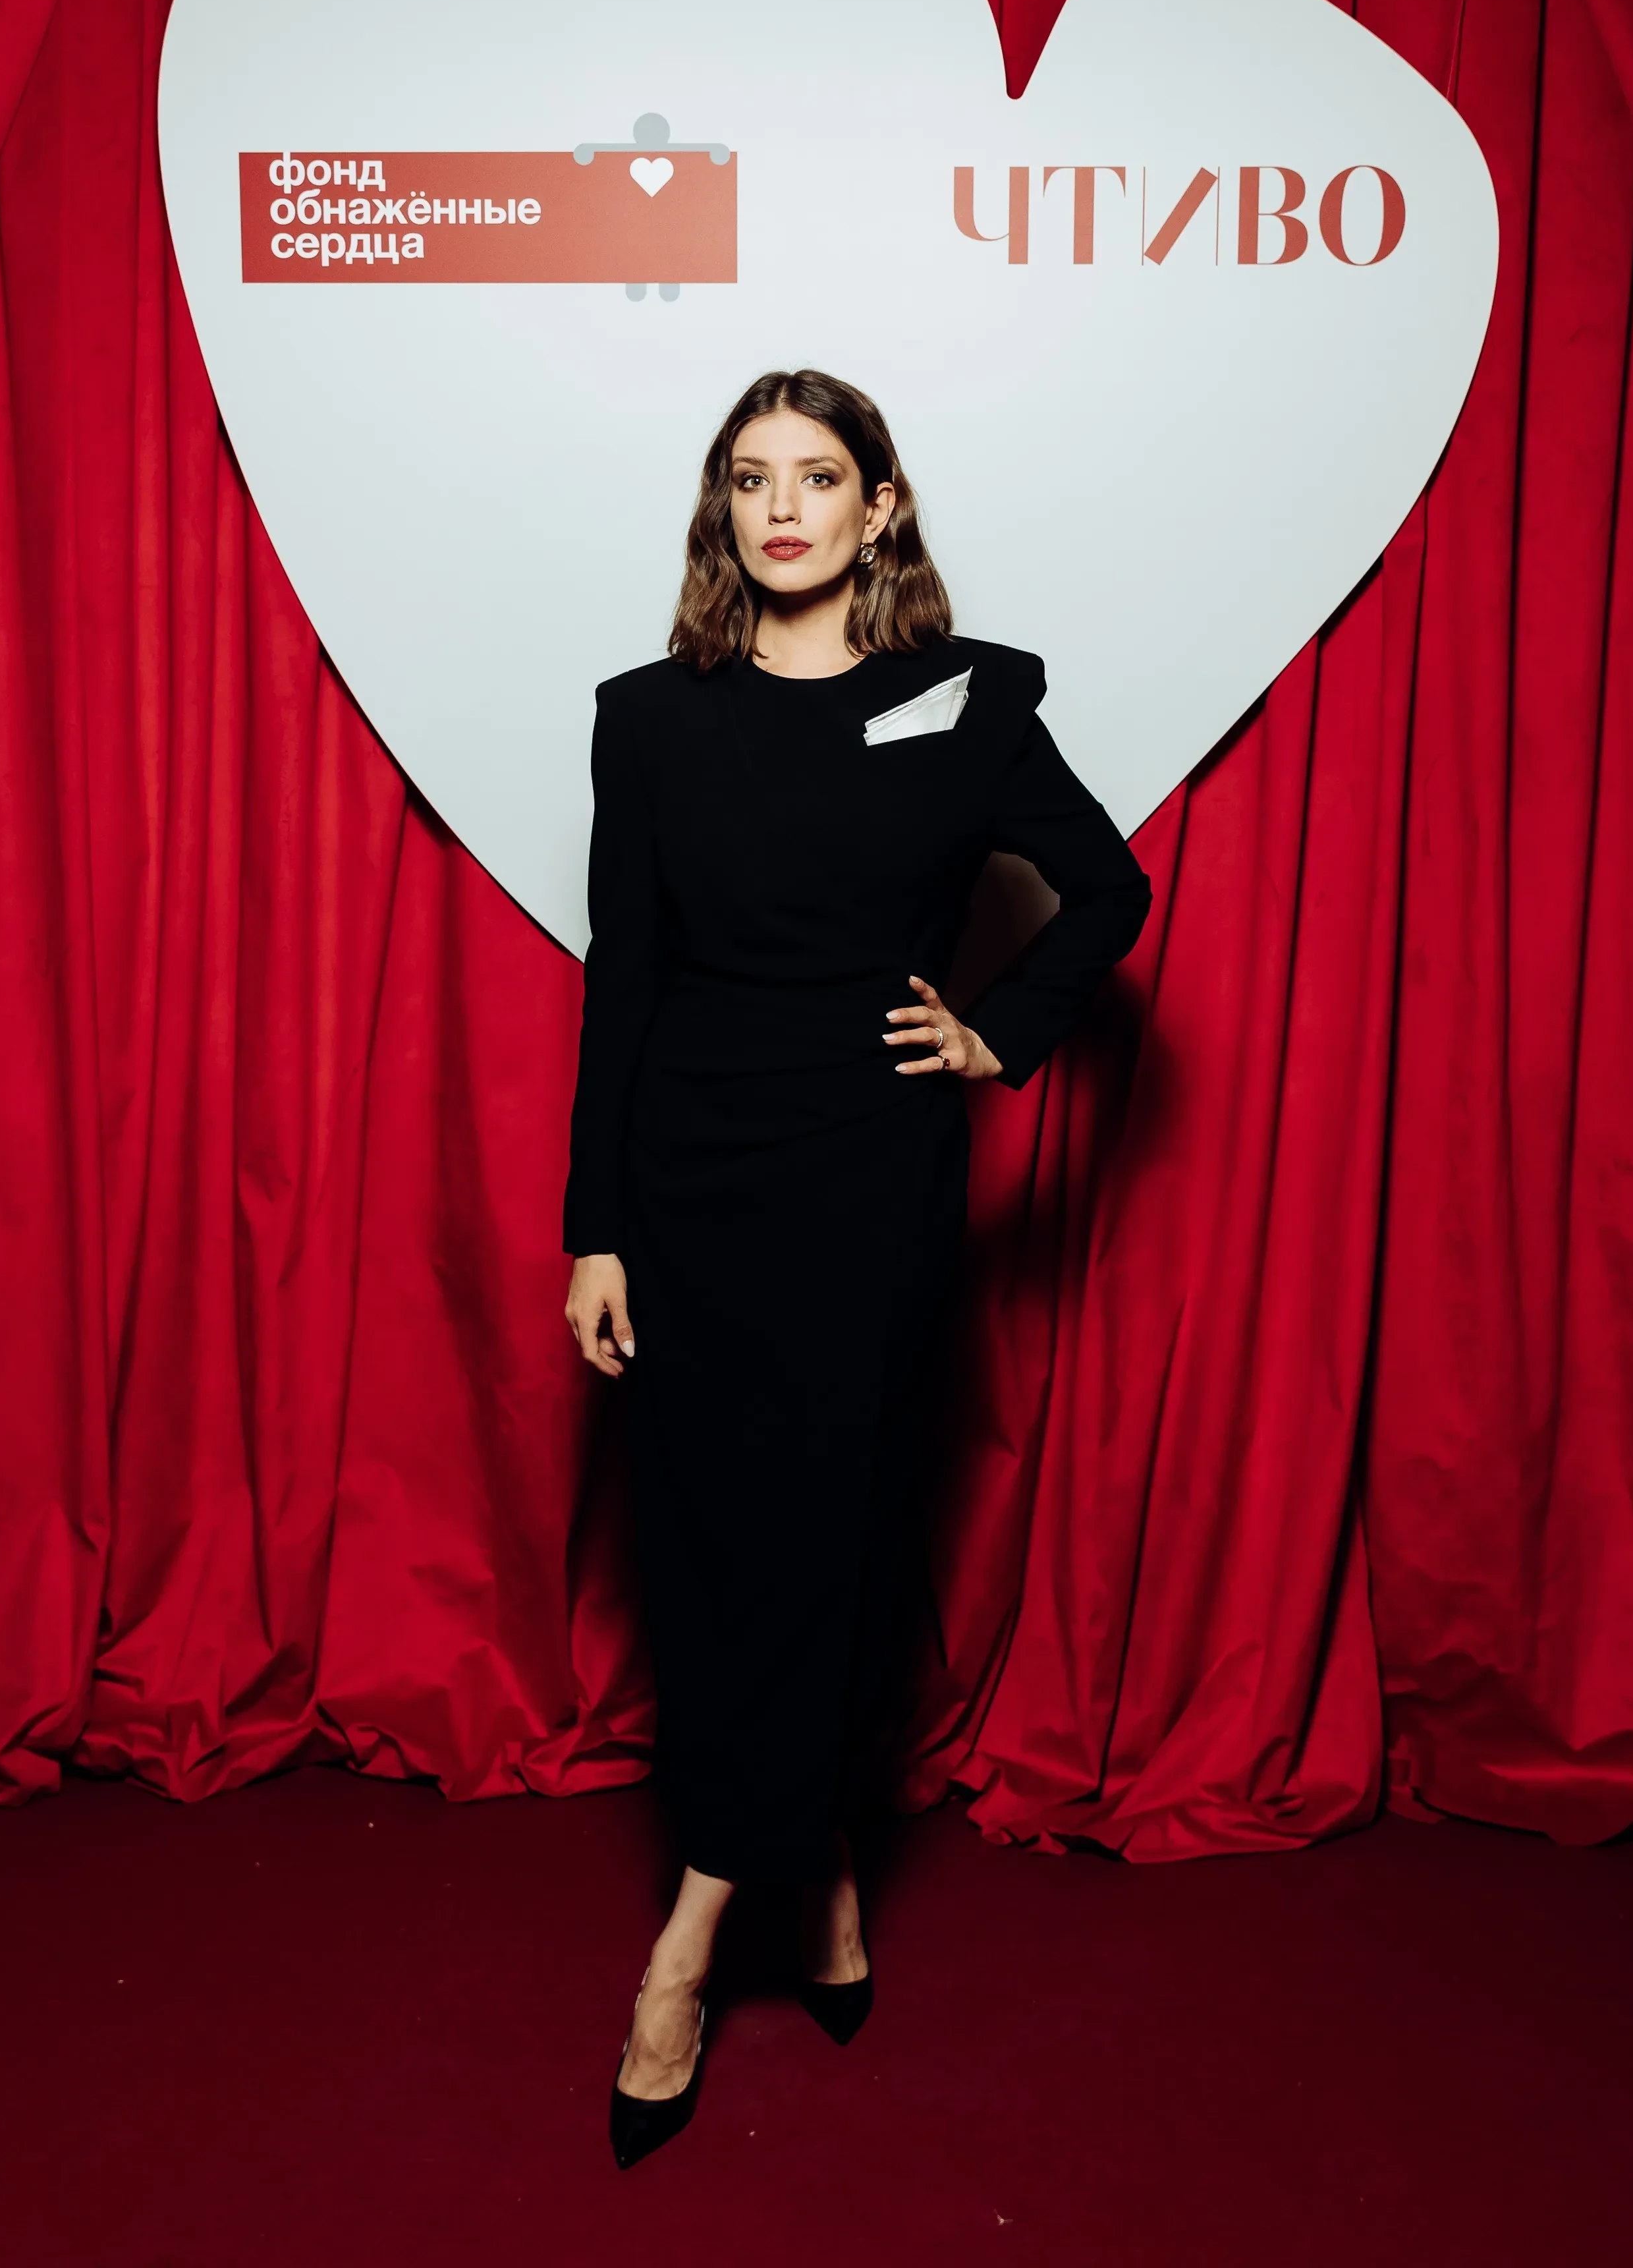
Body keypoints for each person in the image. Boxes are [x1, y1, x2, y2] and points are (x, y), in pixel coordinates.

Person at [562, 368, 1151, 2167]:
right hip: (687, 1184)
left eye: (819, 477)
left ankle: (685, 1949)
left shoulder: (962, 700)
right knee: (702, 1551)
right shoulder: (651, 718)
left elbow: (1108, 893)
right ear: (721, 510)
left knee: (826, 1544)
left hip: (867, 1182)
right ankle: (816, 1871)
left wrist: (995, 1034)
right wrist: (594, 1226)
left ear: (878, 507)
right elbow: (622, 981)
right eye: (752, 479)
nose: (784, 508)